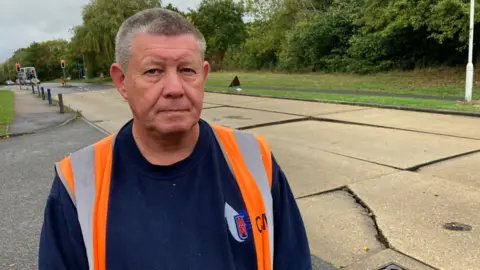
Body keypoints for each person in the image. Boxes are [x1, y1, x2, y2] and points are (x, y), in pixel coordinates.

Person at [38, 8, 311, 270]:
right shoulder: (78, 183)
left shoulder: (256, 161)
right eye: (153, 71)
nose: (174, 88)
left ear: (203, 76)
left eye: (186, 70)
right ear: (121, 81)